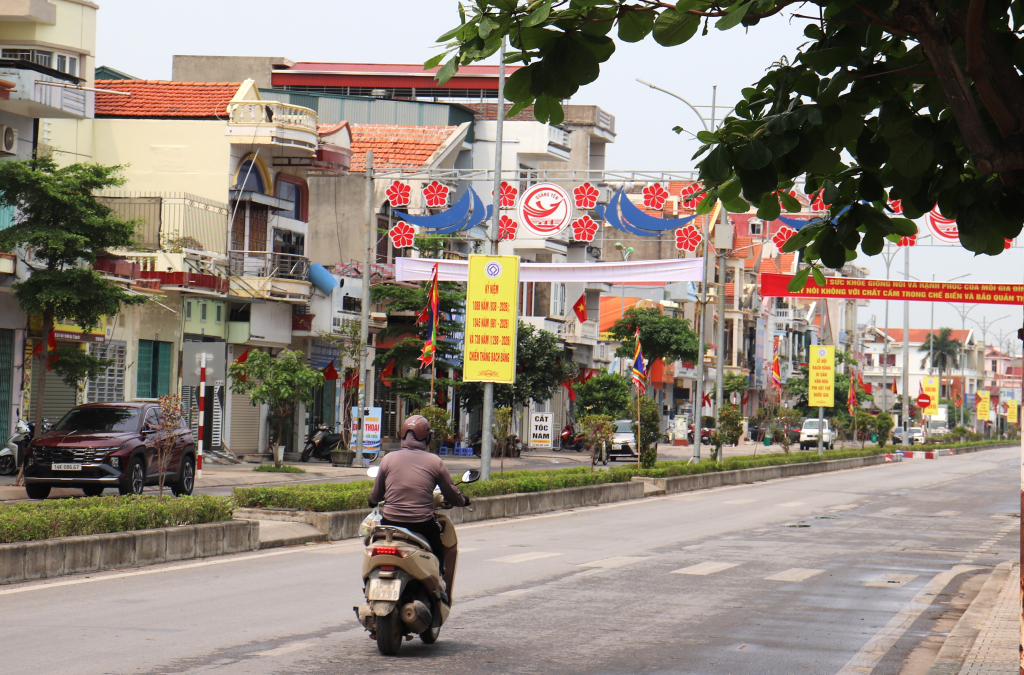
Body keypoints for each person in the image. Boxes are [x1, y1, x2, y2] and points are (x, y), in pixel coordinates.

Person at [368, 415, 468, 577]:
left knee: (376, 548)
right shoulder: (435, 462)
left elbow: (376, 494)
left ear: (403, 435)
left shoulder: (387, 459)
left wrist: (372, 502)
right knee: (438, 553)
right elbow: (450, 493)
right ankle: (439, 585)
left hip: (390, 523)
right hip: (421, 524)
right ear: (427, 438)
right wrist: (462, 501)